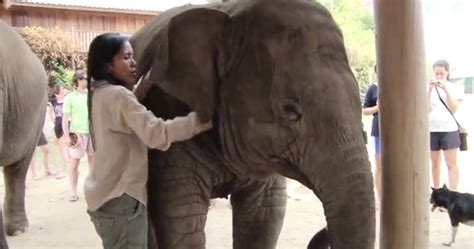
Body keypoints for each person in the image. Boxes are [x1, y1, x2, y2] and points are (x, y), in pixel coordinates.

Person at [84, 32, 212, 248]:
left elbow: (124, 111)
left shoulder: (97, 93)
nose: (134, 63)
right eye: (125, 58)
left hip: (104, 197)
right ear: (108, 66)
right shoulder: (119, 96)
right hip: (122, 199)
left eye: (133, 56)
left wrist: (142, 87)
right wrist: (199, 120)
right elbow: (157, 134)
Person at [428, 59, 464, 190]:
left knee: (451, 163)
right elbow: (426, 110)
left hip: (449, 129)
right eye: (436, 73)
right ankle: (436, 191)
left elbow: (453, 108)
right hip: (432, 129)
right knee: (435, 162)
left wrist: (446, 90)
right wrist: (429, 91)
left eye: (441, 73)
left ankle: (453, 193)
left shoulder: (456, 88)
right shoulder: (428, 87)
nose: (438, 76)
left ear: (447, 72)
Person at [62, 69, 94, 202]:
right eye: (85, 79)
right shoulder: (70, 97)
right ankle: (73, 191)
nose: (88, 81)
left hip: (91, 132)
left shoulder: (91, 95)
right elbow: (65, 117)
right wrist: (66, 135)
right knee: (74, 163)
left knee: (93, 161)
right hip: (77, 133)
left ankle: (92, 189)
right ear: (78, 80)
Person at [362, 65, 381, 203]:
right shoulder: (373, 89)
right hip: (379, 128)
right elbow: (364, 111)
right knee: (380, 164)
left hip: (397, 128)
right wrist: (377, 107)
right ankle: (381, 198)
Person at [49, 84, 69, 179]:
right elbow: (51, 111)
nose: (64, 90)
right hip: (58, 125)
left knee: (65, 149)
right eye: (62, 88)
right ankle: (65, 169)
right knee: (63, 149)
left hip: (67, 125)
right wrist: (53, 119)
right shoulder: (54, 101)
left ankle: (64, 170)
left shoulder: (68, 100)